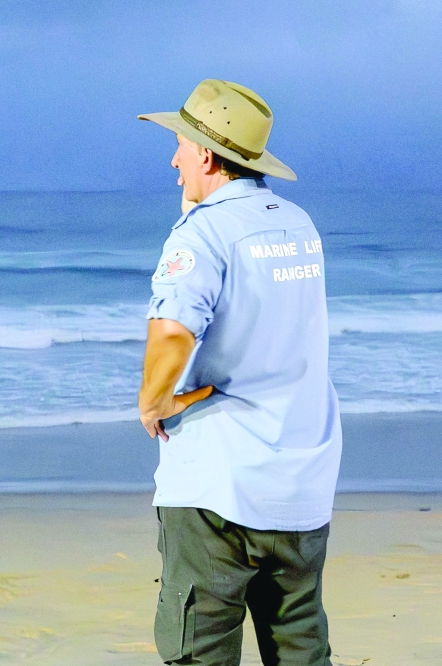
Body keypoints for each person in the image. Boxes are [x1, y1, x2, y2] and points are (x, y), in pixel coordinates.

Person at [136, 79, 341, 665]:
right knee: (302, 653)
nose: (173, 159)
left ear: (204, 153)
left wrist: (155, 404)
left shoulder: (203, 233)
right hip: (301, 481)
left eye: (178, 144)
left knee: (197, 653)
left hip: (219, 489)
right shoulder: (298, 225)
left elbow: (173, 331)